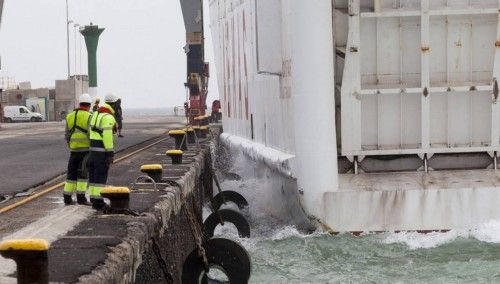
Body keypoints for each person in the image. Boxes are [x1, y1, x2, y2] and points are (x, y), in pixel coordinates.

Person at [88, 94, 118, 210]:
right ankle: (98, 202)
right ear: (114, 104)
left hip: (92, 150)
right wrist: (110, 153)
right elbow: (107, 136)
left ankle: (94, 199)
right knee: (100, 177)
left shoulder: (95, 114)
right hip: (101, 151)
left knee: (94, 176)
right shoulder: (108, 117)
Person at [63, 93, 92, 205]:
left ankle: (67, 198)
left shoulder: (69, 116)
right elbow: (91, 134)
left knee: (71, 175)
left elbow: (67, 135)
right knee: (83, 175)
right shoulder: (89, 116)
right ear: (89, 105)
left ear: (79, 103)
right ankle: (81, 198)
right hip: (86, 151)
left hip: (73, 151)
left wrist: (71, 146)